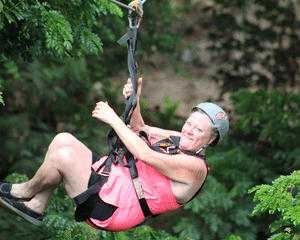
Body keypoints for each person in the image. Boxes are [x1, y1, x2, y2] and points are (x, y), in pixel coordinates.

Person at [0, 77, 229, 231]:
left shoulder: (195, 168)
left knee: (63, 157)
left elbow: (144, 154)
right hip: (110, 182)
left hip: (113, 208)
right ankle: (36, 205)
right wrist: (134, 98)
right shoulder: (178, 139)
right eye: (189, 123)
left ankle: (24, 191)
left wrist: (111, 118)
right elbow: (140, 130)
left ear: (211, 140)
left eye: (198, 129)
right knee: (63, 140)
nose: (188, 130)